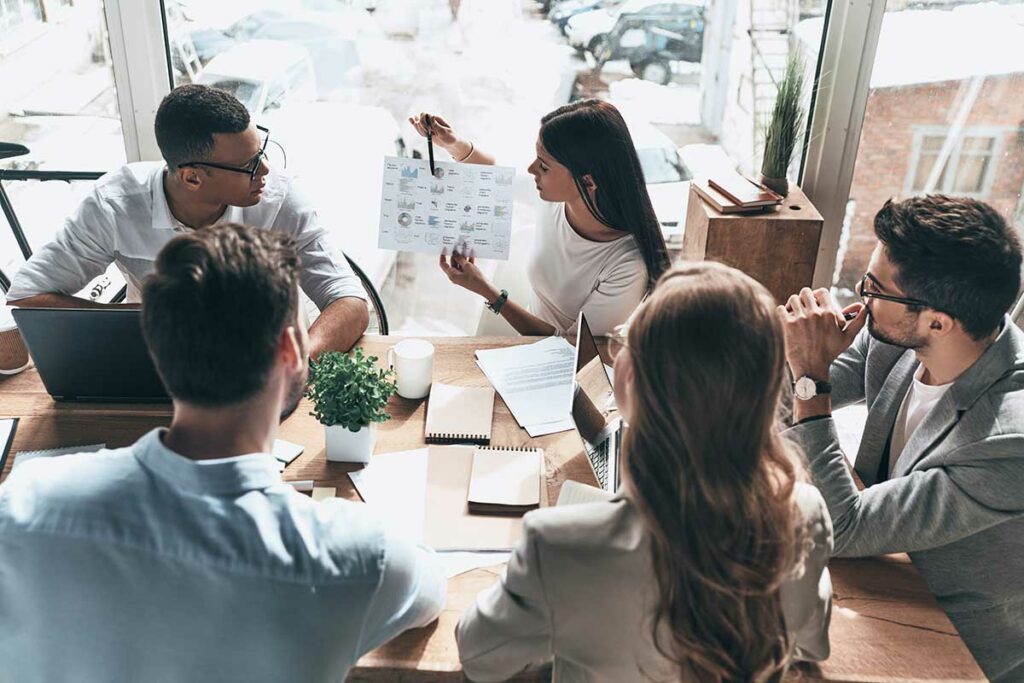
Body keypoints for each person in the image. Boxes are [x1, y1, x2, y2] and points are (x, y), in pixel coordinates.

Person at [0, 223, 445, 682]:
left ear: (156, 348)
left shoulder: (26, 503)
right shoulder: (356, 556)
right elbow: (431, 591)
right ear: (292, 350)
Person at [456, 261, 834, 681]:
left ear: (630, 379)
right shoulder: (803, 513)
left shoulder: (557, 545)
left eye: (622, 345)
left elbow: (479, 658)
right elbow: (812, 642)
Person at [778, 195, 1024, 681]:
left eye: (873, 287)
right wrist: (798, 352)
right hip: (882, 570)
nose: (860, 295)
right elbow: (785, 398)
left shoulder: (1007, 440)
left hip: (951, 641)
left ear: (938, 321)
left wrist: (810, 372)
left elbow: (840, 526)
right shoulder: (904, 333)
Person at [5, 84, 368, 356]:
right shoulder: (115, 205)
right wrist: (144, 323)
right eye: (249, 165)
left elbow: (350, 302)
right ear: (192, 177)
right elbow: (28, 298)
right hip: (161, 364)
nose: (266, 170)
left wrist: (298, 358)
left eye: (262, 152)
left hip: (267, 363)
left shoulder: (280, 198)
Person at [408, 99, 670, 336]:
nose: (532, 169)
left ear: (588, 181)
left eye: (543, 166)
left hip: (565, 370)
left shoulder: (627, 264)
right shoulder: (557, 199)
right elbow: (493, 176)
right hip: (525, 341)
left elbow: (573, 351)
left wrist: (487, 291)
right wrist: (453, 144)